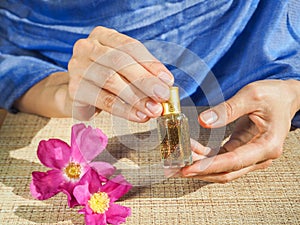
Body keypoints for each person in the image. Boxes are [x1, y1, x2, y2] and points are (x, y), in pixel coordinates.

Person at [0, 0, 299, 183]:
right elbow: (10, 66)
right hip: (56, 62)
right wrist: (61, 92)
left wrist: (293, 89)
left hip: (265, 49)